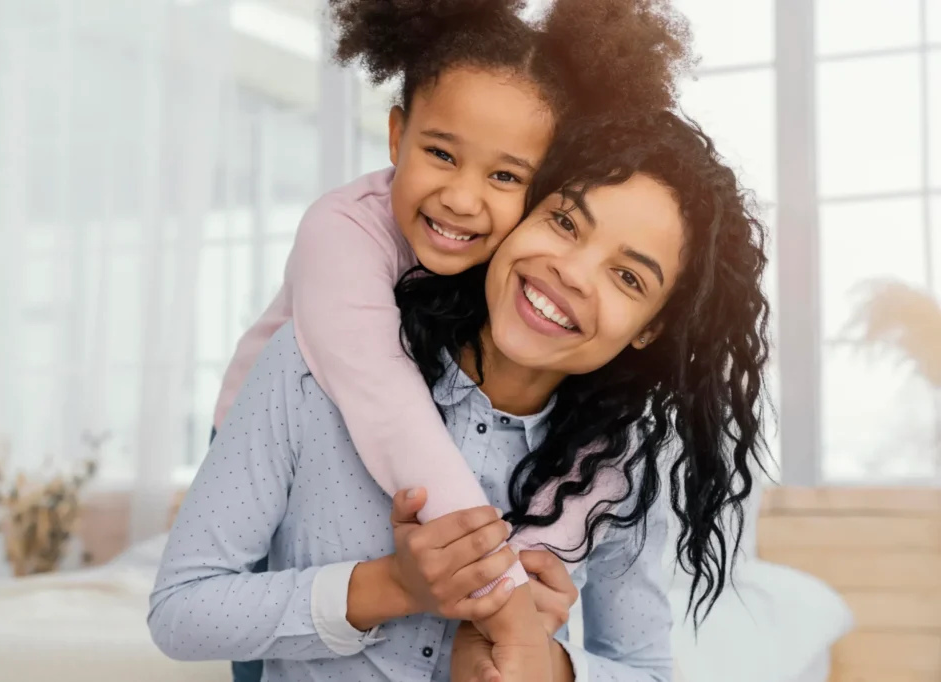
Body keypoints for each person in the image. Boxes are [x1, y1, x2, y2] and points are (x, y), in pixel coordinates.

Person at [149, 110, 772, 682]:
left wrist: (549, 666)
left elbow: (647, 670)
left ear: (650, 329)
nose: (573, 274)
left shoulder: (621, 469)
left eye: (628, 277)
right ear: (521, 210)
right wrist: (391, 586)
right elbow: (181, 609)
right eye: (564, 222)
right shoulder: (309, 369)